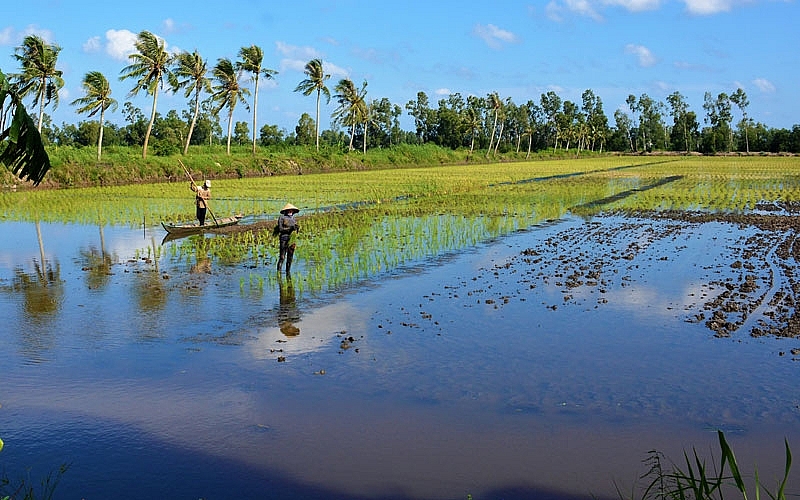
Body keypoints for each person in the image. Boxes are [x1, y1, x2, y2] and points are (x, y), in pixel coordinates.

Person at [275, 203, 299, 274]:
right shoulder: (282, 218)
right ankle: (278, 273)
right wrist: (290, 229)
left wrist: (297, 228)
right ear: (285, 211)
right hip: (284, 239)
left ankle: (288, 273)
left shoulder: (294, 219)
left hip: (292, 239)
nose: (290, 211)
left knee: (290, 257)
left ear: (293, 211)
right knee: (282, 257)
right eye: (288, 210)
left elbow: (296, 231)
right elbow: (280, 229)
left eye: (291, 210)